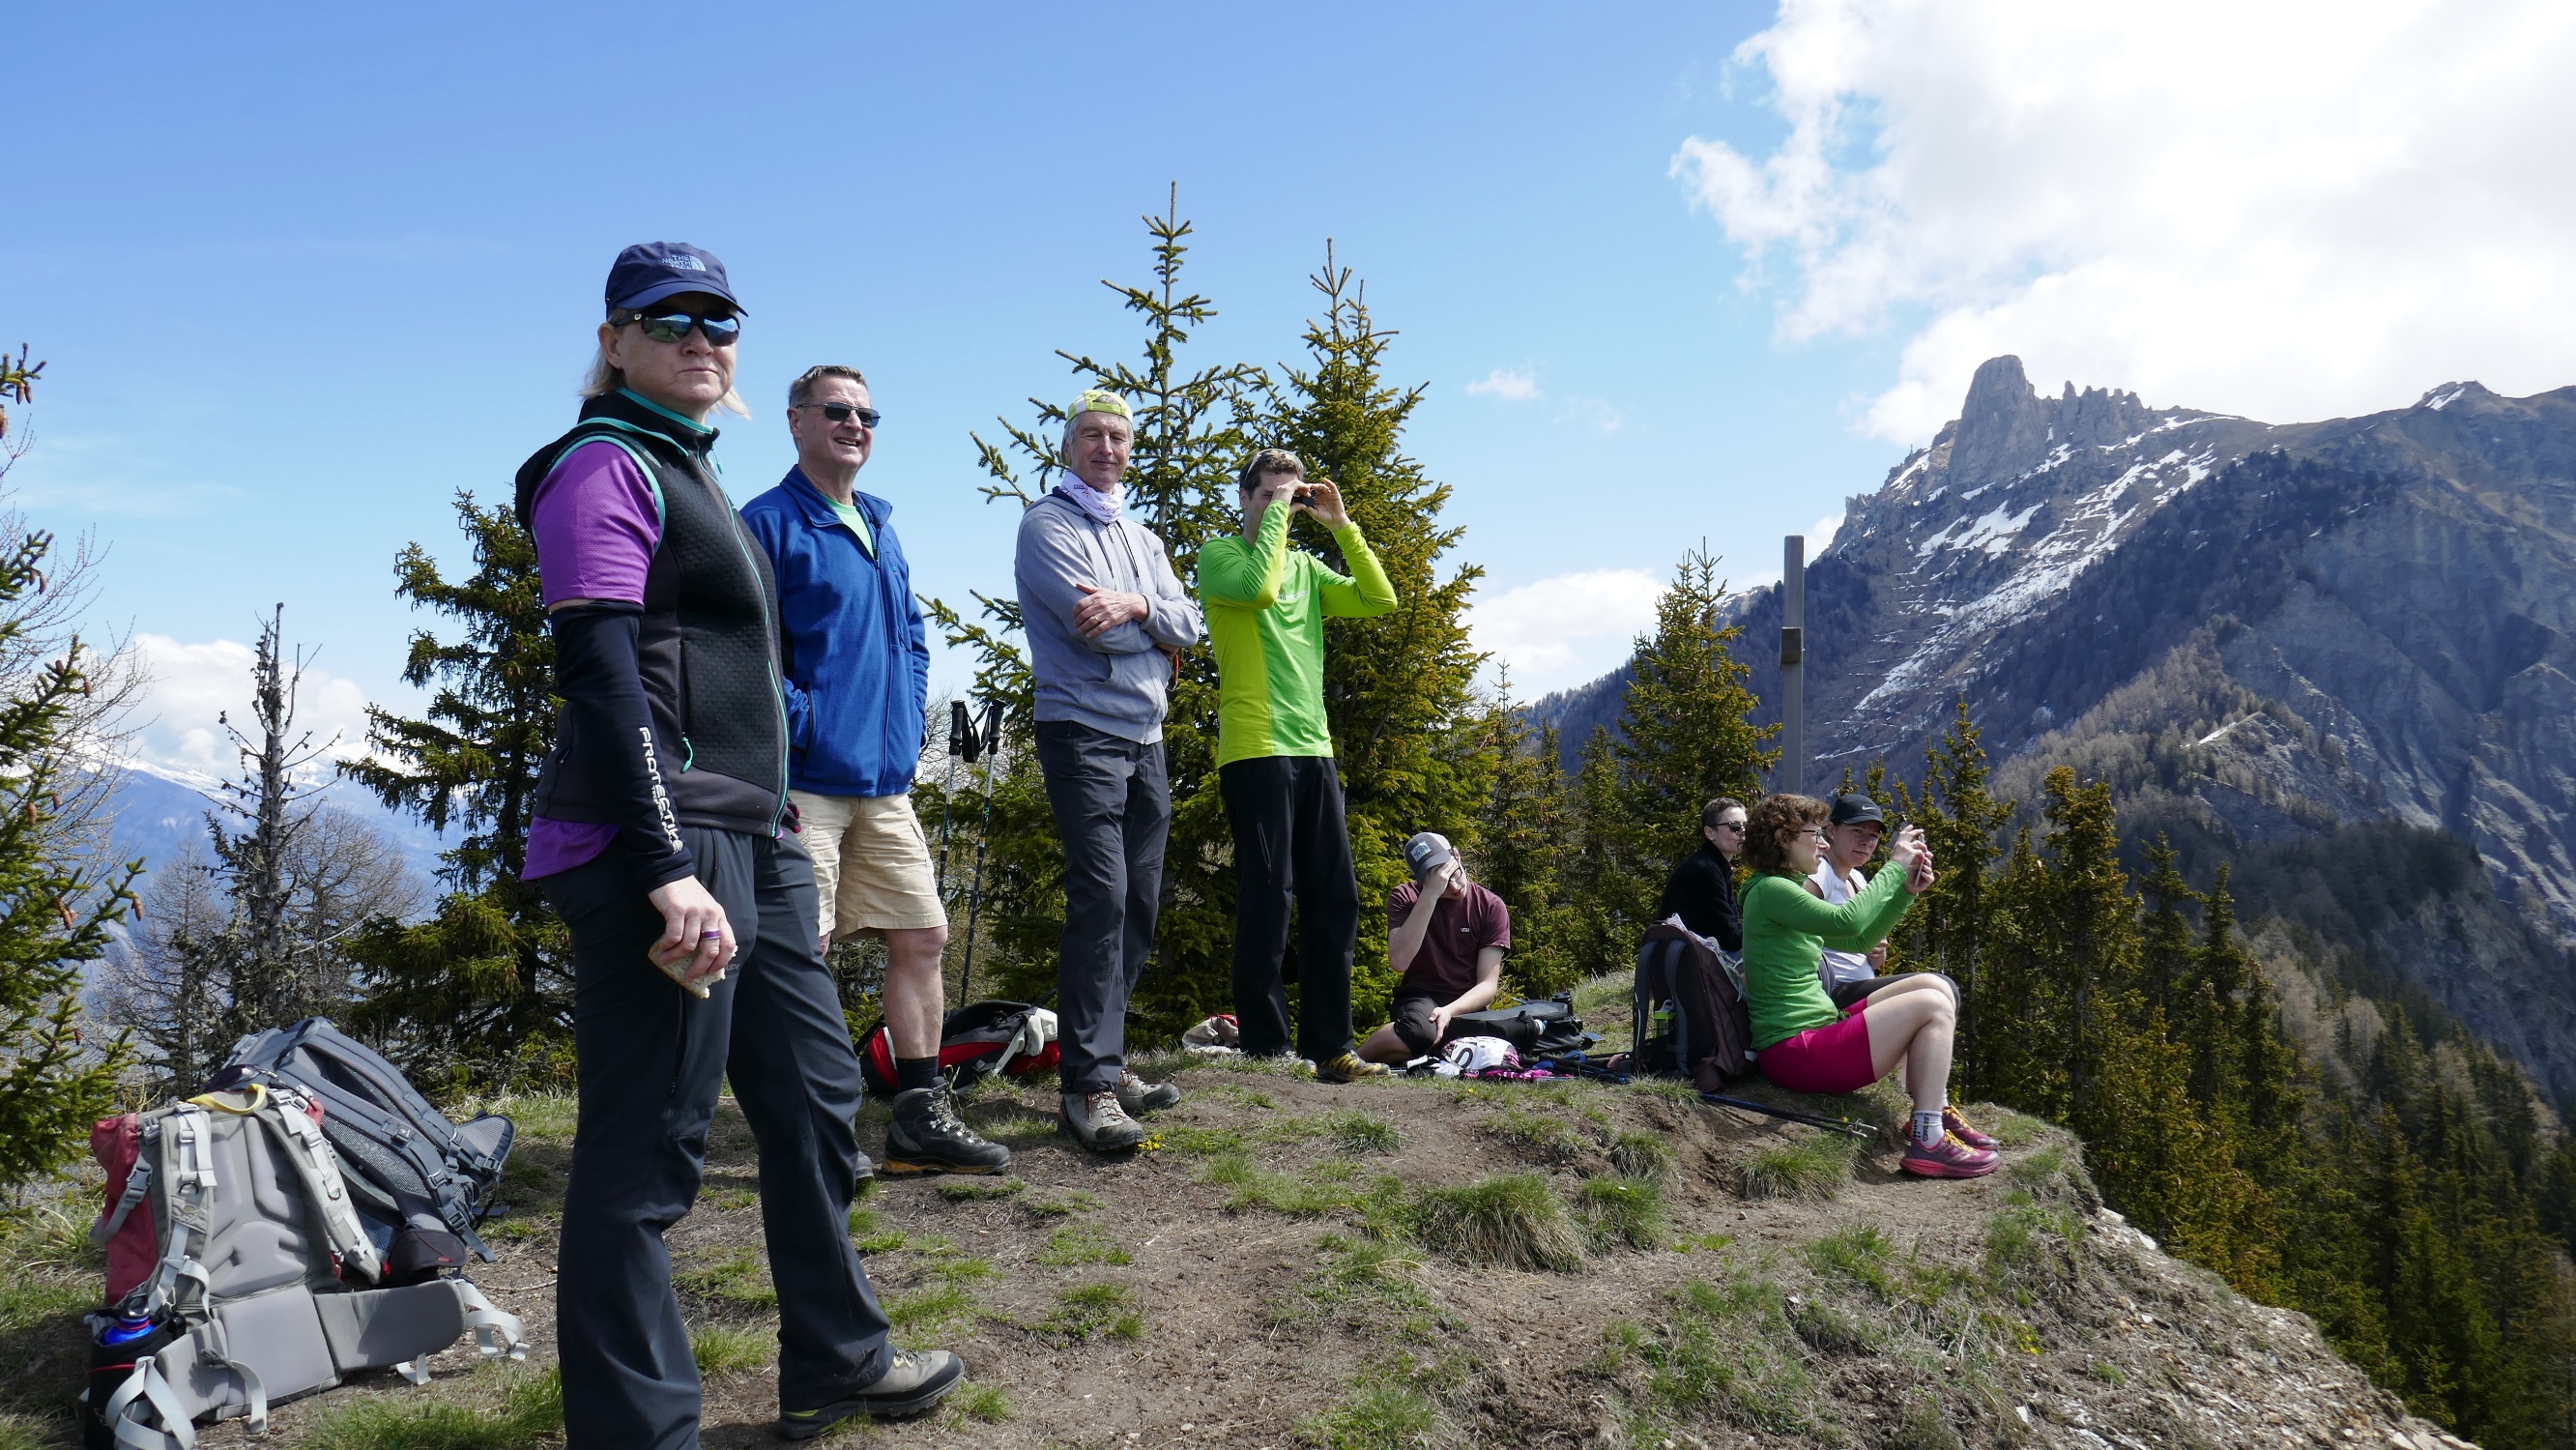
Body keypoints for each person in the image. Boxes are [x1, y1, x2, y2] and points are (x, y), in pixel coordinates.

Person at [516, 243, 960, 1444]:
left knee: (817, 1093)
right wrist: (664, 869)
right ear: (613, 341)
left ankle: (836, 1358)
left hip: (752, 838)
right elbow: (602, 679)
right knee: (647, 1150)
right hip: (657, 843)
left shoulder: (692, 470)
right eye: (668, 319)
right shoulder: (603, 467)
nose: (700, 336)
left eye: (720, 318)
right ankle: (641, 1432)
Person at [740, 365, 1008, 1177]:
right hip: (806, 781)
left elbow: (912, 639)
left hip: (886, 780)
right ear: (795, 422)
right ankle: (812, 1132)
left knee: (922, 935)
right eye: (836, 410)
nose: (854, 423)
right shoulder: (767, 523)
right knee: (801, 952)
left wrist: (902, 724)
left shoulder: (882, 525)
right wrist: (808, 723)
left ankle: (918, 1118)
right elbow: (752, 652)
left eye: (866, 413)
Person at [1015, 389, 1203, 1151]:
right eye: (1091, 435)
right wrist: (1153, 634)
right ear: (1068, 447)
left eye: (1118, 437)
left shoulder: (1142, 535)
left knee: (1140, 902)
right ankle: (1088, 1087)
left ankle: (1108, 1056)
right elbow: (1090, 633)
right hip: (1080, 733)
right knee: (1102, 896)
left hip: (1144, 736)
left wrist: (1139, 610)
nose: (1105, 447)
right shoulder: (1045, 526)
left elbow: (1190, 621)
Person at [1201, 448, 1400, 1082]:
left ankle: (1329, 1048)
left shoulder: (1311, 572)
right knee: (1268, 899)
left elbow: (1379, 600)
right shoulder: (1221, 558)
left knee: (1333, 900)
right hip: (1255, 752)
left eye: (1292, 496)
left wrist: (1341, 526)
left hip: (1313, 751)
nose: (1282, 507)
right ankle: (1265, 1046)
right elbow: (1259, 589)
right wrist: (1282, 520)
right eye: (1268, 496)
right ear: (1245, 500)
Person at [1737, 793, 2001, 1178]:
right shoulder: (1771, 890)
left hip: (1810, 1037)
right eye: (1814, 834)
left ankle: (1929, 1115)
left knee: (1934, 986)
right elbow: (1847, 922)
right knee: (1932, 1005)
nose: (1823, 843)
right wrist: (1895, 866)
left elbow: (1858, 942)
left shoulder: (1781, 888)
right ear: (1783, 840)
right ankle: (1928, 1140)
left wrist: (1906, 894)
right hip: (1796, 1052)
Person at [1357, 832, 1511, 1065]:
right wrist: (1430, 894)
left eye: (1453, 873)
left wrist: (1449, 1011)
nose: (1453, 886)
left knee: (1473, 1046)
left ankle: (1404, 1056)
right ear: (1420, 880)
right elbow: (1399, 961)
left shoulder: (1490, 906)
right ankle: (1353, 1060)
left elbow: (1488, 986)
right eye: (1439, 879)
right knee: (1421, 1033)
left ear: (1456, 856)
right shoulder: (1405, 897)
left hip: (1467, 1002)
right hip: (1420, 997)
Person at [1808, 795, 1958, 1015]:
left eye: (1873, 836)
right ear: (1830, 829)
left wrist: (1908, 890)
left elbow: (1864, 946)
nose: (1866, 842)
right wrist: (1895, 866)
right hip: (1832, 988)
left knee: (1942, 989)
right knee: (1940, 988)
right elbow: (1836, 926)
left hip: (1856, 986)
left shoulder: (1856, 878)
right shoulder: (1820, 872)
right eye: (1857, 831)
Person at [1655, 797, 1747, 951]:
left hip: (1688, 957)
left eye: (1746, 826)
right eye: (1735, 826)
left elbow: (1732, 927)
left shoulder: (1717, 865)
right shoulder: (1705, 869)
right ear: (1710, 833)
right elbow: (1730, 937)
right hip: (1686, 963)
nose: (1743, 832)